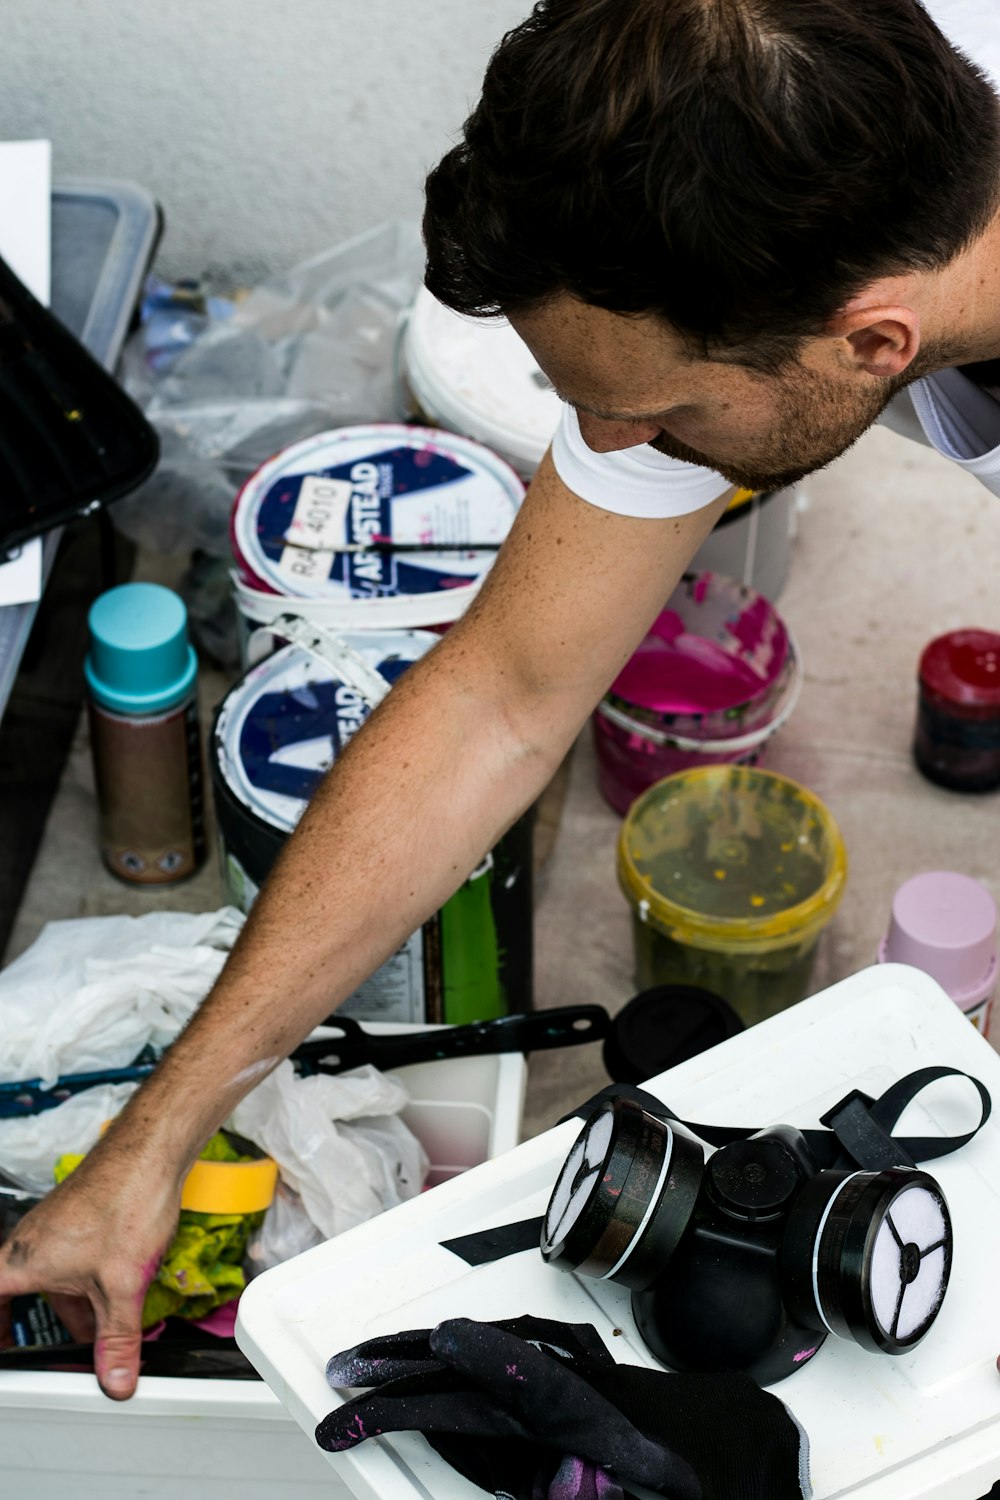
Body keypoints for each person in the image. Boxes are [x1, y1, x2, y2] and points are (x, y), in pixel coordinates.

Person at [3, 0, 1000, 1401]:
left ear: (875, 343)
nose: (609, 456)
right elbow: (501, 697)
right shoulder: (787, 118)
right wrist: (158, 1131)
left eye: (655, 419)